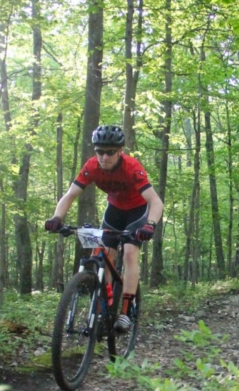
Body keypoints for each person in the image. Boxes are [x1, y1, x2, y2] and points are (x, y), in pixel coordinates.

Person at [45, 125, 163, 333]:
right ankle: (103, 308)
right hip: (114, 212)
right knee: (103, 254)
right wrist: (57, 218)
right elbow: (70, 195)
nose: (104, 157)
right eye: (100, 151)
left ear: (120, 152)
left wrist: (150, 225)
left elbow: (155, 202)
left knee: (129, 253)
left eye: (110, 152)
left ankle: (125, 312)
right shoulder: (92, 166)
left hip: (137, 213)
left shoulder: (131, 167)